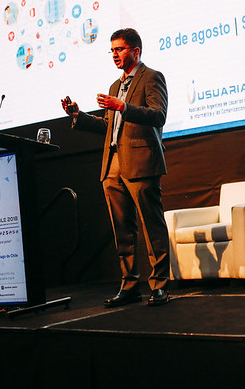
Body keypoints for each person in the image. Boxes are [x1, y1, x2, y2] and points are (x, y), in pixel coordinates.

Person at [61, 28, 171, 307]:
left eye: (119, 49)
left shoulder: (151, 77)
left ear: (135, 51)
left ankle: (159, 285)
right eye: (112, 50)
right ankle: (130, 285)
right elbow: (108, 126)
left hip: (141, 161)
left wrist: (123, 107)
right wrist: (79, 116)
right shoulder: (114, 87)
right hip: (112, 164)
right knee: (122, 230)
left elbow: (158, 115)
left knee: (152, 226)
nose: (114, 55)